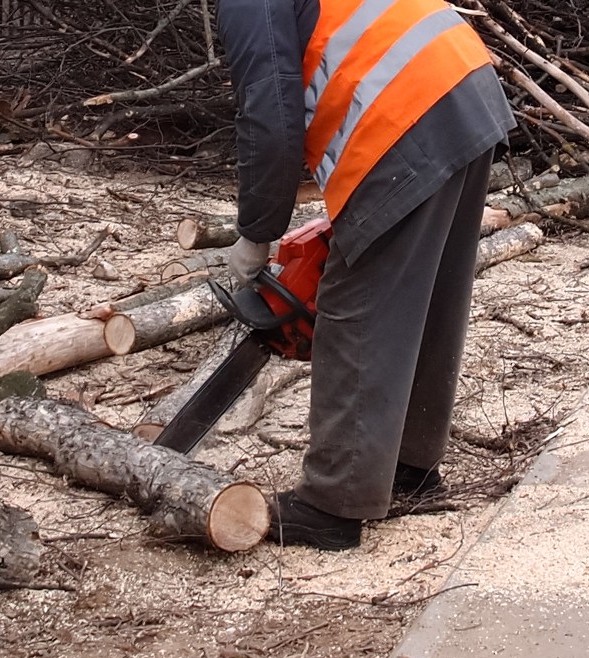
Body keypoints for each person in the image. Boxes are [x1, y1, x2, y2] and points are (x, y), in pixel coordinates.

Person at [216, 0, 516, 550]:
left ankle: (335, 502)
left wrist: (257, 231)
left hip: (407, 106)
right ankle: (410, 463)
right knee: (432, 288)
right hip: (464, 83)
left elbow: (270, 108)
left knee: (358, 301)